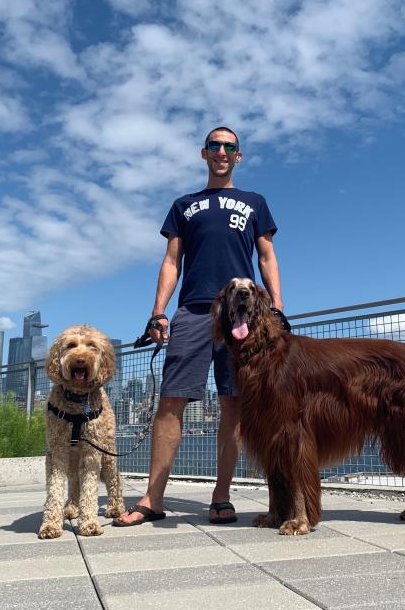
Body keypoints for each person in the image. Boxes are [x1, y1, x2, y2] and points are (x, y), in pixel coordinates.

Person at [114, 126, 283, 526]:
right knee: (171, 400)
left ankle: (221, 496)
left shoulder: (254, 202)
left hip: (242, 313)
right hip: (192, 311)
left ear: (238, 156)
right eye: (214, 145)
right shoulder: (184, 205)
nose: (221, 151)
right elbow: (172, 261)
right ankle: (153, 498)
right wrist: (158, 310)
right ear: (203, 153)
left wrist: (276, 306)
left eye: (229, 146)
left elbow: (267, 257)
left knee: (234, 403)